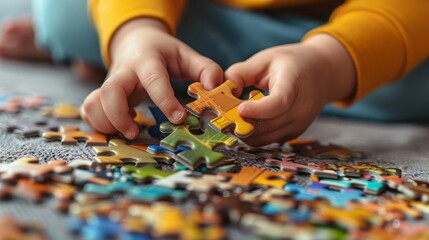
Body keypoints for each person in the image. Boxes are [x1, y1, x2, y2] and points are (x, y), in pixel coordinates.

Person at [1, 0, 428, 146]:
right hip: (209, 13)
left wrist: (329, 63)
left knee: (415, 85)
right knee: (63, 13)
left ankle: (103, 51)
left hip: (365, 26)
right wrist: (136, 31)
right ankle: (129, 50)